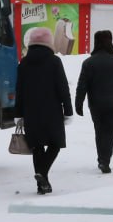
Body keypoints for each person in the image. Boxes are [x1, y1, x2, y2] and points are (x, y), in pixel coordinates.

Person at [14, 26, 73, 194]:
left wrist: (18, 114)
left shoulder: (24, 63)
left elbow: (19, 90)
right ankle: (42, 174)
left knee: (37, 147)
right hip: (52, 111)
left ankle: (42, 184)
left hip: (30, 112)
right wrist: (68, 110)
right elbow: (63, 88)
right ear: (49, 43)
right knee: (56, 144)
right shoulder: (54, 61)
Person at [75, 29, 113, 174]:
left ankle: (102, 159)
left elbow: (82, 85)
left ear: (96, 43)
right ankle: (105, 160)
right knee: (110, 132)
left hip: (95, 105)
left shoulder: (88, 63)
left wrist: (79, 103)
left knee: (99, 131)